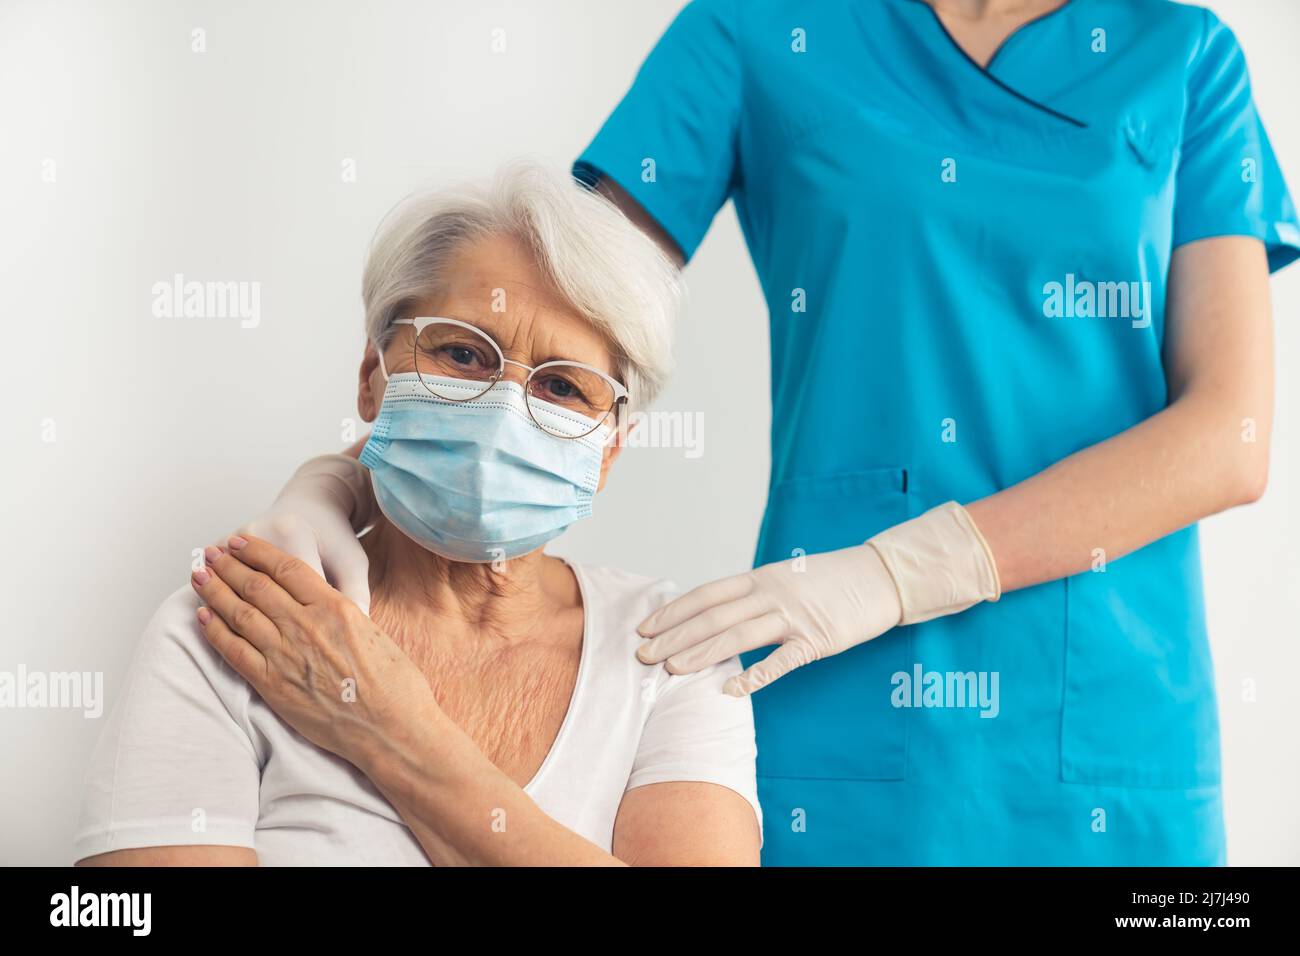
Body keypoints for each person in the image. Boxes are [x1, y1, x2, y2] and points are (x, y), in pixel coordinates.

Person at [231, 0, 1300, 865]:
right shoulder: (759, 29)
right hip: (838, 694)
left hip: (1107, 704)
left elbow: (1230, 435)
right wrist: (349, 476)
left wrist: (899, 570)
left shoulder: (1183, 55)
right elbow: (556, 311)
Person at [73, 163, 762, 866]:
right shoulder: (239, 624)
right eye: (462, 353)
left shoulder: (672, 655)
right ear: (372, 379)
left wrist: (389, 728)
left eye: (562, 387)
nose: (504, 415)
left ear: (609, 449)